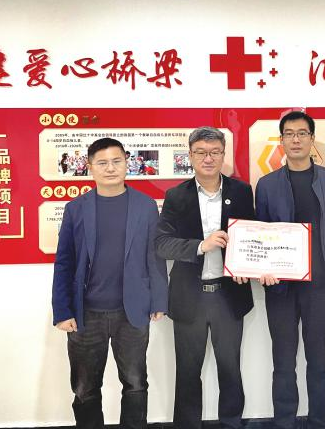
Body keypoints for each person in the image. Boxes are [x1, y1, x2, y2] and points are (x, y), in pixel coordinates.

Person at [52, 137, 167, 429]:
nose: (110, 168)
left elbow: (154, 256)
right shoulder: (76, 208)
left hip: (132, 311)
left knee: (135, 383)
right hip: (85, 313)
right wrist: (62, 310)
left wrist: (158, 300)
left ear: (127, 163)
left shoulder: (145, 205)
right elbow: (64, 261)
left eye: (117, 161)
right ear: (90, 167)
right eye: (102, 163)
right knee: (85, 388)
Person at [155, 126, 255, 429]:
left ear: (223, 155)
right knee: (188, 372)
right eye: (200, 152)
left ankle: (231, 424)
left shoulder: (241, 192)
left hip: (228, 295)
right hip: (190, 297)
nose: (208, 158)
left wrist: (249, 266)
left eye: (214, 152)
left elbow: (253, 236)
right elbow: (161, 244)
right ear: (190, 156)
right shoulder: (176, 196)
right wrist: (201, 245)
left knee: (230, 369)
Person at [255, 111, 325, 429]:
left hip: (319, 286)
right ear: (281, 140)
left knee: (319, 360)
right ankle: (284, 422)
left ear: (311, 139)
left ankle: (319, 421)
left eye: (302, 133)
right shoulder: (266, 185)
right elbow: (260, 234)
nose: (295, 139)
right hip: (280, 287)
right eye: (289, 134)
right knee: (283, 361)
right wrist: (263, 268)